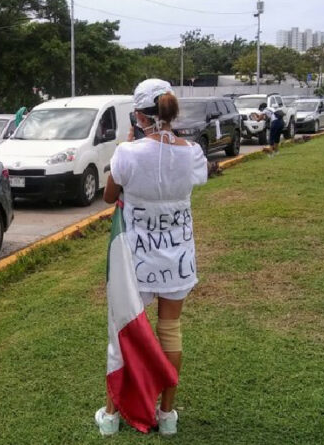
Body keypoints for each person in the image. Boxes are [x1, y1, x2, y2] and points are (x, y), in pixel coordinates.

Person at [97, 79, 208, 436]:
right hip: (178, 255)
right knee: (170, 330)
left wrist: (127, 147)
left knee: (124, 330)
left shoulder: (128, 154)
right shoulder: (192, 152)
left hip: (136, 259)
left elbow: (108, 195)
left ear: (140, 115)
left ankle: (112, 416)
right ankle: (167, 414)